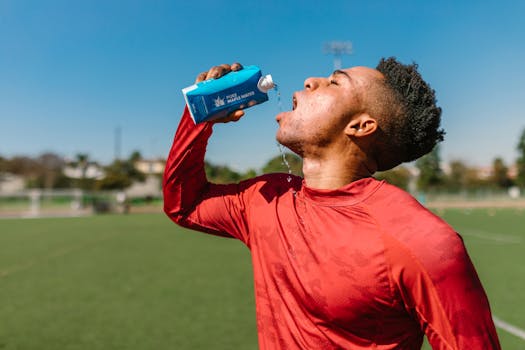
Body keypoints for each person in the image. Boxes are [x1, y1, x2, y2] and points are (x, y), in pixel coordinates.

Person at [163, 58, 501, 349]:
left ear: (360, 125)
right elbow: (185, 204)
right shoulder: (267, 197)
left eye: (335, 82)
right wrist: (199, 119)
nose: (310, 81)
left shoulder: (423, 241)